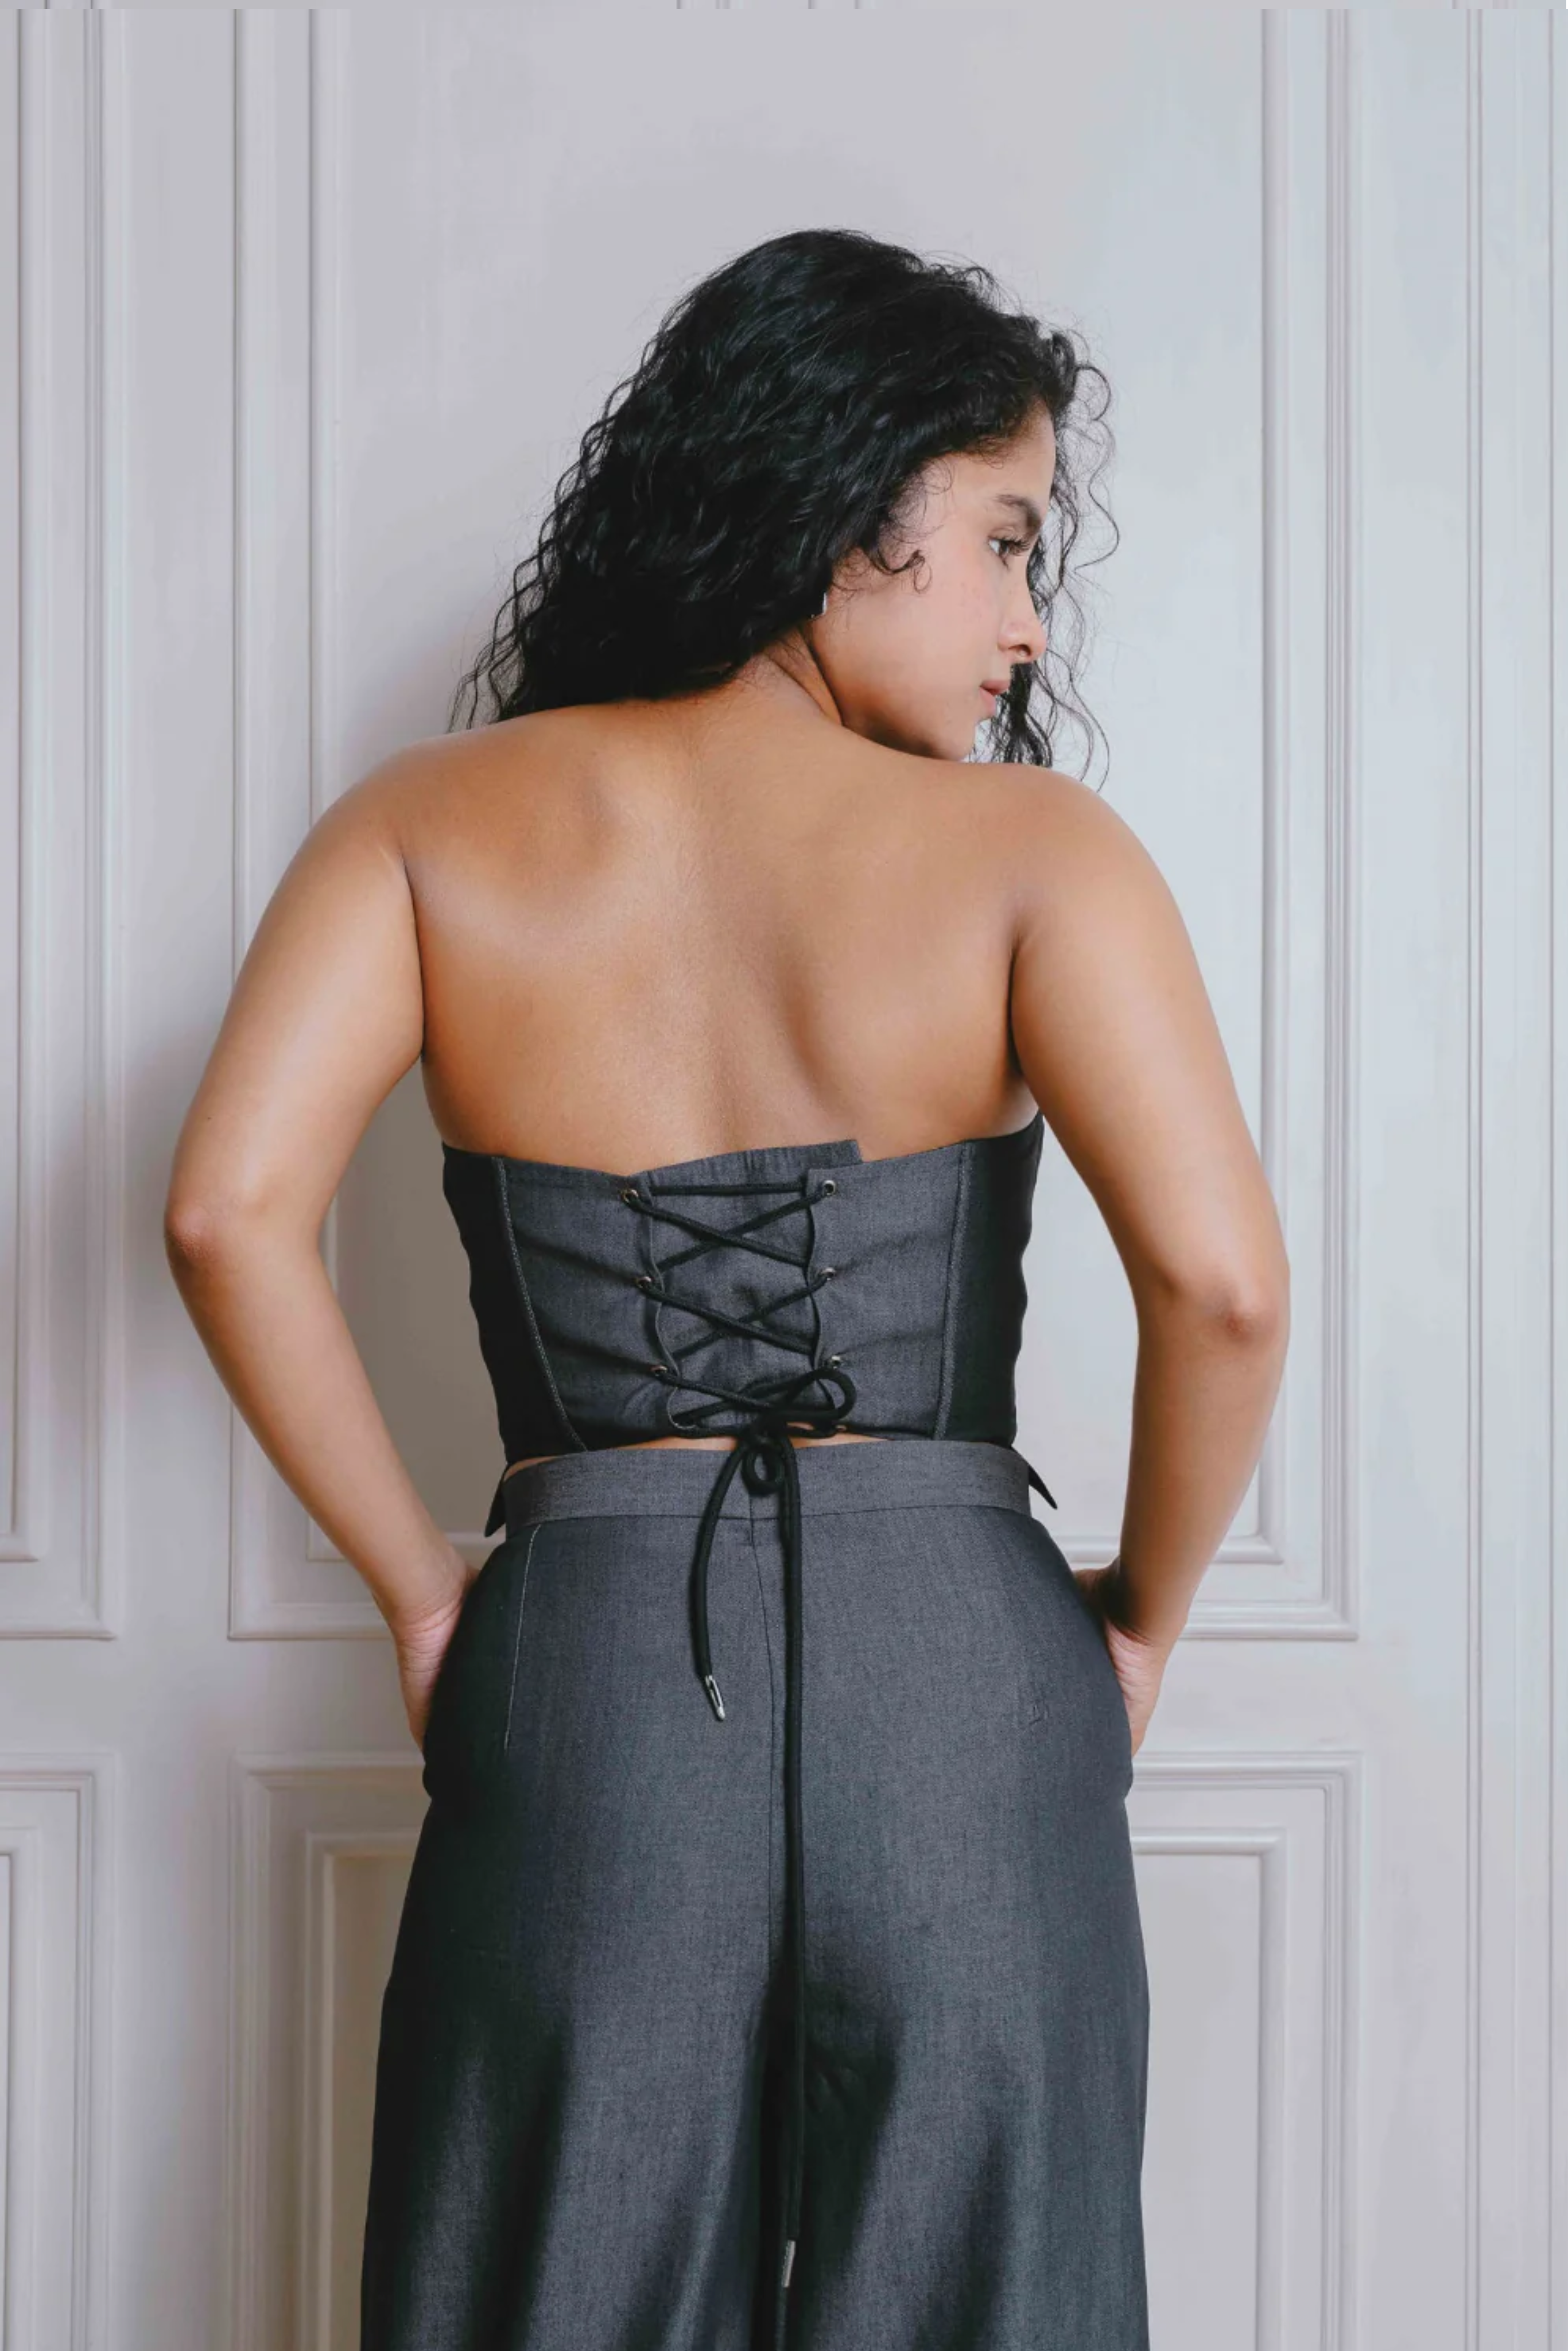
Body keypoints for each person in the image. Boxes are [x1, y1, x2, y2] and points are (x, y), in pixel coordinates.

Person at [164, 227, 1289, 2351]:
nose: (1025, 620)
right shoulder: (1034, 854)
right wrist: (1137, 1618)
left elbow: (227, 1212)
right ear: (845, 507)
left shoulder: (425, 827)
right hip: (965, 1673)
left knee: (544, 2287)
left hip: (584, 1658)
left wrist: (422, 1597)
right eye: (1003, 540)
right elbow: (1221, 1286)